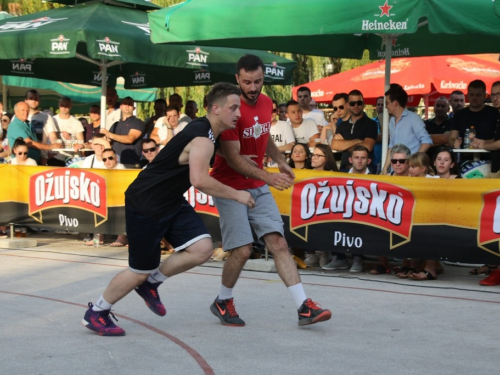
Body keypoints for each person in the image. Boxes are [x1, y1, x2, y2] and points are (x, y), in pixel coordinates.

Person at [82, 82, 256, 336]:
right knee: (138, 271)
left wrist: (242, 162)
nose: (239, 113)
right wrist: (237, 194)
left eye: (239, 107)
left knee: (202, 248)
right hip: (147, 203)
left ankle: (152, 284)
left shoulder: (204, 130)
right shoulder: (202, 138)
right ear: (216, 109)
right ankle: (96, 312)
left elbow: (211, 154)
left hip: (170, 200)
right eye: (233, 107)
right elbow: (199, 179)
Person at [210, 54, 331, 327]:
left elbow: (262, 137)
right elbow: (233, 158)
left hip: (257, 183)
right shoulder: (231, 108)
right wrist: (270, 176)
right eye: (247, 82)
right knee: (241, 250)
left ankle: (304, 306)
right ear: (237, 80)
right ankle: (223, 300)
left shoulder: (266, 104)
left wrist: (280, 160)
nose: (253, 88)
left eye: (258, 81)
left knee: (279, 243)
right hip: (229, 186)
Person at [370, 144, 411, 275]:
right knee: (374, 223)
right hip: (388, 215)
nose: (397, 164)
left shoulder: (416, 178)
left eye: (401, 161)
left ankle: (407, 265)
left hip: (408, 215)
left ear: (408, 162)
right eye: (394, 161)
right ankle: (383, 264)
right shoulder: (385, 178)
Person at [382, 84, 432, 174]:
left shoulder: (413, 118)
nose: (386, 106)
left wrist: (414, 162)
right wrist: (385, 168)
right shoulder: (392, 121)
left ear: (395, 103)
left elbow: (427, 142)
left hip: (411, 172)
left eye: (387, 103)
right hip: (396, 170)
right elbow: (391, 146)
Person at [448, 80, 498, 164]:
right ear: (467, 96)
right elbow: (451, 138)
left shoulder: (494, 112)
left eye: (478, 95)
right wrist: (455, 143)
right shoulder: (459, 114)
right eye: (472, 95)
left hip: (490, 159)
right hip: (465, 161)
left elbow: (498, 139)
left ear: (484, 96)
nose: (474, 98)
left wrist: (483, 143)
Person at [330, 90, 377, 171]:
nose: (356, 105)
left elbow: (367, 147)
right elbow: (335, 145)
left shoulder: (371, 124)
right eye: (352, 103)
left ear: (363, 104)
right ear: (348, 105)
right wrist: (358, 141)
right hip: (344, 169)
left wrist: (344, 143)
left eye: (359, 103)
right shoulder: (342, 125)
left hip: (364, 170)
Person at [100, 97, 145, 167]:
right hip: (116, 164)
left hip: (131, 163)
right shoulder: (115, 124)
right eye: (125, 103)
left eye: (130, 104)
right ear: (120, 107)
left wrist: (109, 135)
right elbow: (108, 141)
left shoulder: (137, 122)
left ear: (134, 108)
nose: (127, 106)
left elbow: (130, 139)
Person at [470, 81, 500, 174]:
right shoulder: (498, 115)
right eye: (493, 95)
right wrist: (482, 142)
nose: (495, 98)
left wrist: (485, 145)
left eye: (499, 94)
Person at [51, 96, 85, 166]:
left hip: (71, 158)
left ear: (71, 106)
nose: (64, 108)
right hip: (55, 157)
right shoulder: (52, 120)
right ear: (59, 106)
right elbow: (48, 138)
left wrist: (69, 138)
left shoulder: (76, 122)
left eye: (67, 105)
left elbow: (81, 142)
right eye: (62, 105)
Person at [269, 100, 295, 167]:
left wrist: (274, 150)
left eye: (273, 110)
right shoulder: (259, 127)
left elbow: (292, 145)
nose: (271, 113)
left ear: (277, 111)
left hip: (281, 165)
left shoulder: (285, 125)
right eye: (268, 110)